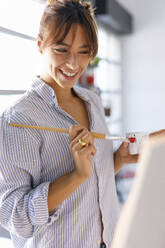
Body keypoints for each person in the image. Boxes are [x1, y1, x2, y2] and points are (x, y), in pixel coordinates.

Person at [0, 0, 164, 247]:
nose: (74, 64)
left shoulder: (92, 101)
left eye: (83, 51)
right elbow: (16, 218)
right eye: (61, 49)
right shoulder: (20, 118)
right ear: (40, 45)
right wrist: (76, 175)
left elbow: (95, 182)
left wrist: (117, 159)